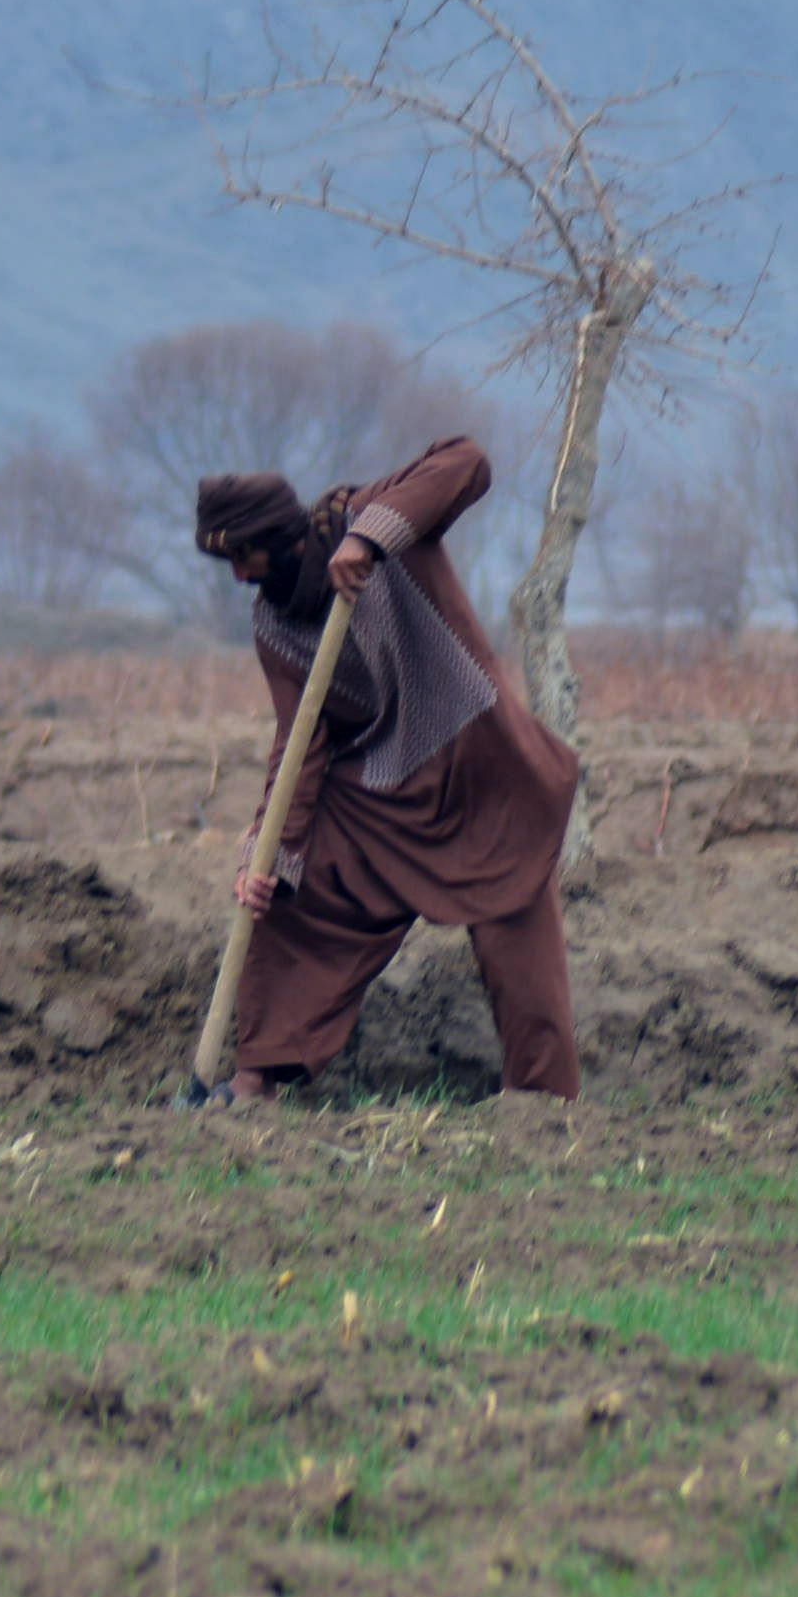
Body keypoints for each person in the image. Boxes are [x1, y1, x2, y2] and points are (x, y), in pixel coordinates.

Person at [188, 438, 584, 1106]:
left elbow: (468, 460)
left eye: (241, 557)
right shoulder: (274, 624)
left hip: (479, 770)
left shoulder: (366, 516)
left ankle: (541, 1101)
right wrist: (267, 850)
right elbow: (299, 742)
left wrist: (369, 540)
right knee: (291, 891)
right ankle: (257, 1078)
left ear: (276, 537)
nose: (237, 577)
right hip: (380, 794)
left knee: (518, 936)